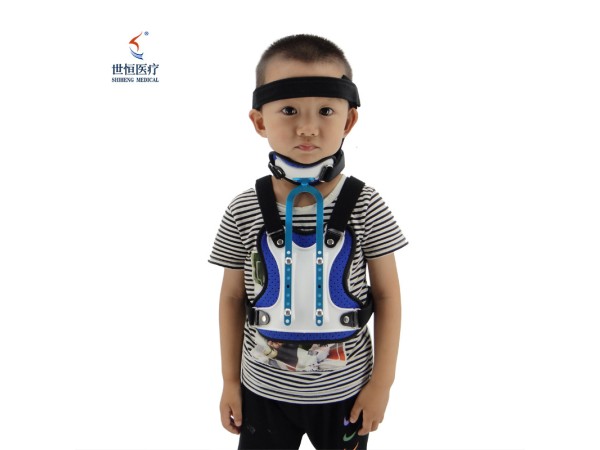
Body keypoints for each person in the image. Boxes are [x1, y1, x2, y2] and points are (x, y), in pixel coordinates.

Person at [209, 34, 408, 450]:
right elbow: (231, 298)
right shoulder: (243, 209)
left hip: (347, 394)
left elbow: (388, 296)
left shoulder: (366, 205)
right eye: (288, 110)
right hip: (261, 392)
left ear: (349, 121)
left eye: (325, 110)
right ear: (259, 121)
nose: (307, 127)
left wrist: (382, 385)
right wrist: (229, 381)